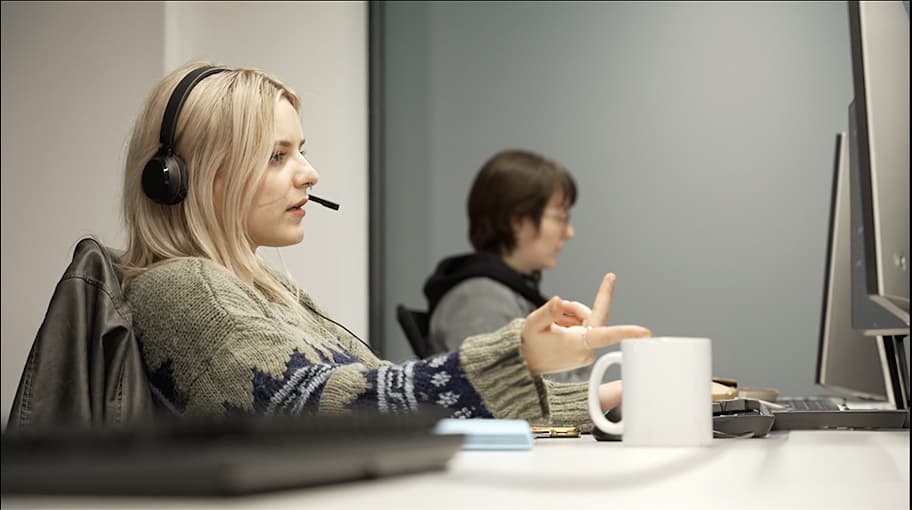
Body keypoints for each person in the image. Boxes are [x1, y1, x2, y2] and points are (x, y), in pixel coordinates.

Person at [119, 62, 650, 427]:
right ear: (186, 178)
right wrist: (516, 356)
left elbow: (387, 391)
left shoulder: (266, 289)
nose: (309, 173)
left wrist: (607, 395)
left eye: (300, 150)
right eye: (276, 156)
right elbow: (317, 407)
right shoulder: (182, 287)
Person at [424, 150, 591, 382]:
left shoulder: (507, 292)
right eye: (559, 218)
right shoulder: (480, 301)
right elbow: (504, 394)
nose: (568, 232)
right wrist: (582, 346)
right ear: (517, 221)